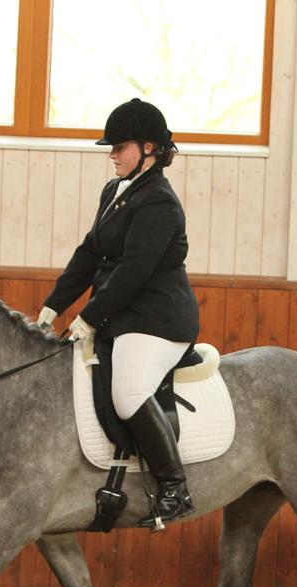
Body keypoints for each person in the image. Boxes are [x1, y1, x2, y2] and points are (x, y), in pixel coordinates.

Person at [37, 98, 200, 527]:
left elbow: (134, 271)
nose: (111, 154)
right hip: (121, 315)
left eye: (119, 146)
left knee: (127, 392)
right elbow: (90, 253)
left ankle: (174, 487)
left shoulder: (160, 202)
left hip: (158, 321)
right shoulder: (115, 191)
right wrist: (52, 306)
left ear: (148, 148)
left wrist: (87, 317)